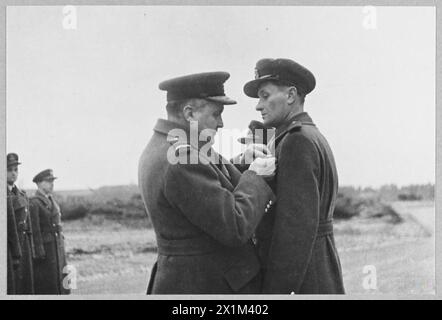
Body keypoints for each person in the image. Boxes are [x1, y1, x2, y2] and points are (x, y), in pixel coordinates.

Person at [138, 71, 276, 294]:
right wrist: (256, 177)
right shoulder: (182, 158)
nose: (221, 123)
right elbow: (235, 226)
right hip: (204, 285)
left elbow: (205, 183)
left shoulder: (171, 144)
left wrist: (243, 163)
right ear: (190, 113)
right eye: (216, 113)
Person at [243, 58, 345, 294]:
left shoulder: (296, 141)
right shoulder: (309, 135)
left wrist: (276, 291)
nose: (258, 106)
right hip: (317, 267)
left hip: (304, 278)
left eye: (265, 96)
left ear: (291, 95)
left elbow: (294, 231)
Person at [29, 169, 70, 294]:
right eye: (48, 181)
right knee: (48, 285)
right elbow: (35, 231)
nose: (52, 184)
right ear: (39, 183)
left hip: (57, 247)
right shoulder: (35, 203)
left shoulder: (53, 202)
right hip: (46, 251)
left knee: (60, 284)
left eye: (52, 181)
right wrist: (39, 252)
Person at [6, 153, 35, 294]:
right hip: (9, 247)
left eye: (16, 170)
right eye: (9, 170)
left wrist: (32, 249)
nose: (13, 173)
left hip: (24, 246)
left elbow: (28, 227)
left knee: (25, 287)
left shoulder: (22, 195)